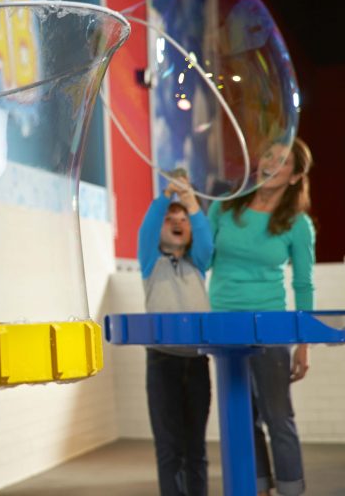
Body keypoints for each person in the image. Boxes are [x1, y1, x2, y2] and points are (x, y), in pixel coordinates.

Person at [207, 137, 315, 496]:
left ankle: (291, 489)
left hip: (270, 326)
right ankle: (255, 487)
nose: (270, 163)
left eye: (282, 160)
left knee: (278, 416)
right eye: (268, 155)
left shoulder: (298, 224)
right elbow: (203, 258)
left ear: (295, 176)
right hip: (225, 325)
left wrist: (304, 345)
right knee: (242, 417)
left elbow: (303, 285)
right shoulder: (224, 208)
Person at [137, 173, 213, 496]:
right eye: (170, 219)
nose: (177, 223)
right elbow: (147, 229)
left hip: (197, 362)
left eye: (184, 220)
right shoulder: (151, 263)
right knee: (169, 448)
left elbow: (206, 242)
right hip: (162, 361)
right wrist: (167, 195)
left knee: (196, 447)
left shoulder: (198, 264)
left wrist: (192, 202)